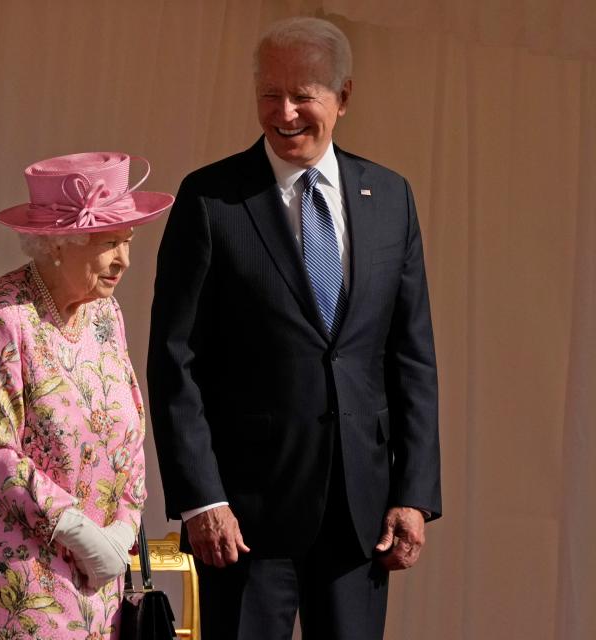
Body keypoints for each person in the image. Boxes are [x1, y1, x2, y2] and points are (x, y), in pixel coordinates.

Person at [147, 17, 441, 640]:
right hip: (244, 520)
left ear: (343, 97)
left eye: (303, 95)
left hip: (360, 516)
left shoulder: (390, 197)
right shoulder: (211, 200)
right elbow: (176, 361)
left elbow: (411, 357)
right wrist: (203, 497)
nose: (284, 113)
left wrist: (413, 493)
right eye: (269, 95)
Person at [0, 152, 173, 639]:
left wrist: (123, 526)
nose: (124, 260)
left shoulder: (106, 314)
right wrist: (76, 531)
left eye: (128, 241)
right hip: (22, 588)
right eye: (109, 242)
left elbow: (131, 422)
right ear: (57, 244)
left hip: (103, 588)